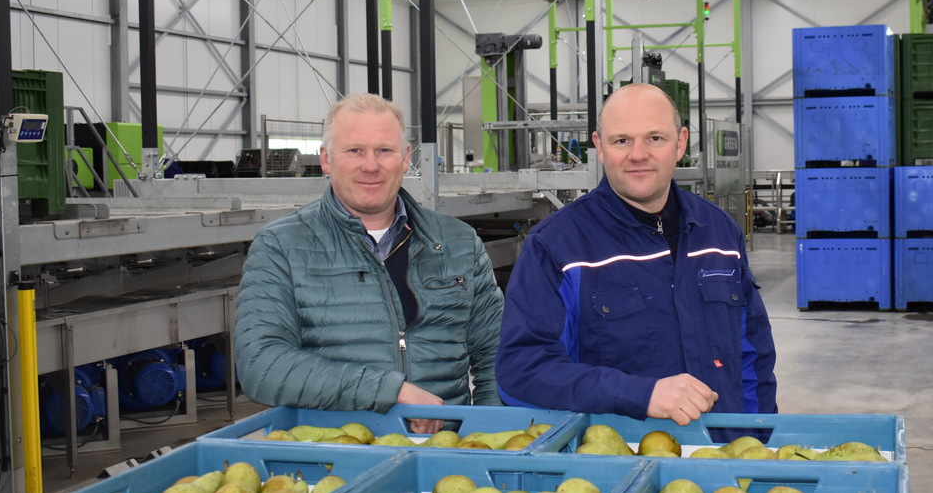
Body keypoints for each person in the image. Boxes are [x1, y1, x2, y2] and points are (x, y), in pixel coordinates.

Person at [495, 83, 777, 425]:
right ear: (600, 147)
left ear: (680, 143)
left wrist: (757, 438)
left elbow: (754, 355)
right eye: (621, 141)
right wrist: (640, 395)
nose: (638, 154)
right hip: (620, 453)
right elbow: (522, 371)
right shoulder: (557, 247)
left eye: (655, 138)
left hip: (724, 451)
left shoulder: (719, 232)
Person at [235, 92, 503, 431]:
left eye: (384, 150)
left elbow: (497, 353)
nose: (371, 165)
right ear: (326, 159)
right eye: (355, 151)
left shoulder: (458, 243)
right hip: (331, 452)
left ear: (405, 158)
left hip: (445, 451)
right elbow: (261, 365)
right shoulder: (281, 246)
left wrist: (488, 434)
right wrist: (389, 391)